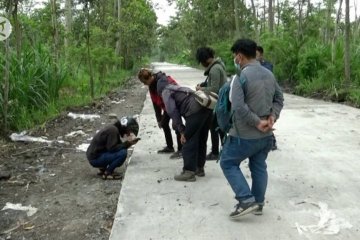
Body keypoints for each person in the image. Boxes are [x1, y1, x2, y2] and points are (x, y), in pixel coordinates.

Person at [220, 39, 284, 218]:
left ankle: (246, 200)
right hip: (265, 135)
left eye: (235, 56)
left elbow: (238, 107)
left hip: (244, 135)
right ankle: (258, 202)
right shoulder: (269, 74)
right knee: (258, 166)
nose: (235, 59)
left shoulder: (239, 78)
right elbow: (279, 99)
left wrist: (256, 122)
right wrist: (272, 117)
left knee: (227, 162)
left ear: (239, 56)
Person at [157, 78, 212, 181]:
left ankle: (189, 172)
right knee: (201, 139)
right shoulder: (178, 88)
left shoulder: (165, 92)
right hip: (207, 110)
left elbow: (172, 112)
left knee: (188, 140)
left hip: (194, 111)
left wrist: (182, 130)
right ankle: (199, 168)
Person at [138, 68, 183, 159]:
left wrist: (175, 115)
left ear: (149, 78)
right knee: (164, 123)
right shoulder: (151, 86)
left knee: (177, 126)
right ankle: (170, 147)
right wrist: (159, 119)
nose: (144, 84)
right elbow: (155, 103)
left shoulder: (164, 81)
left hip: (175, 105)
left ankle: (181, 150)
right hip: (167, 107)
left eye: (144, 82)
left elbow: (174, 95)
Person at [195, 47, 227, 160]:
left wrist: (201, 89)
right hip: (222, 101)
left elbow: (215, 88)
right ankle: (224, 150)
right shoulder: (218, 65)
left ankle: (215, 152)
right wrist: (204, 85)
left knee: (214, 127)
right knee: (219, 127)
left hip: (220, 102)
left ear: (205, 60)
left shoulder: (214, 69)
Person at [256, 45, 278, 150]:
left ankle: (272, 140)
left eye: (256, 54)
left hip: (268, 95)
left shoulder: (267, 66)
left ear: (261, 55)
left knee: (268, 117)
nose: (254, 57)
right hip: (258, 95)